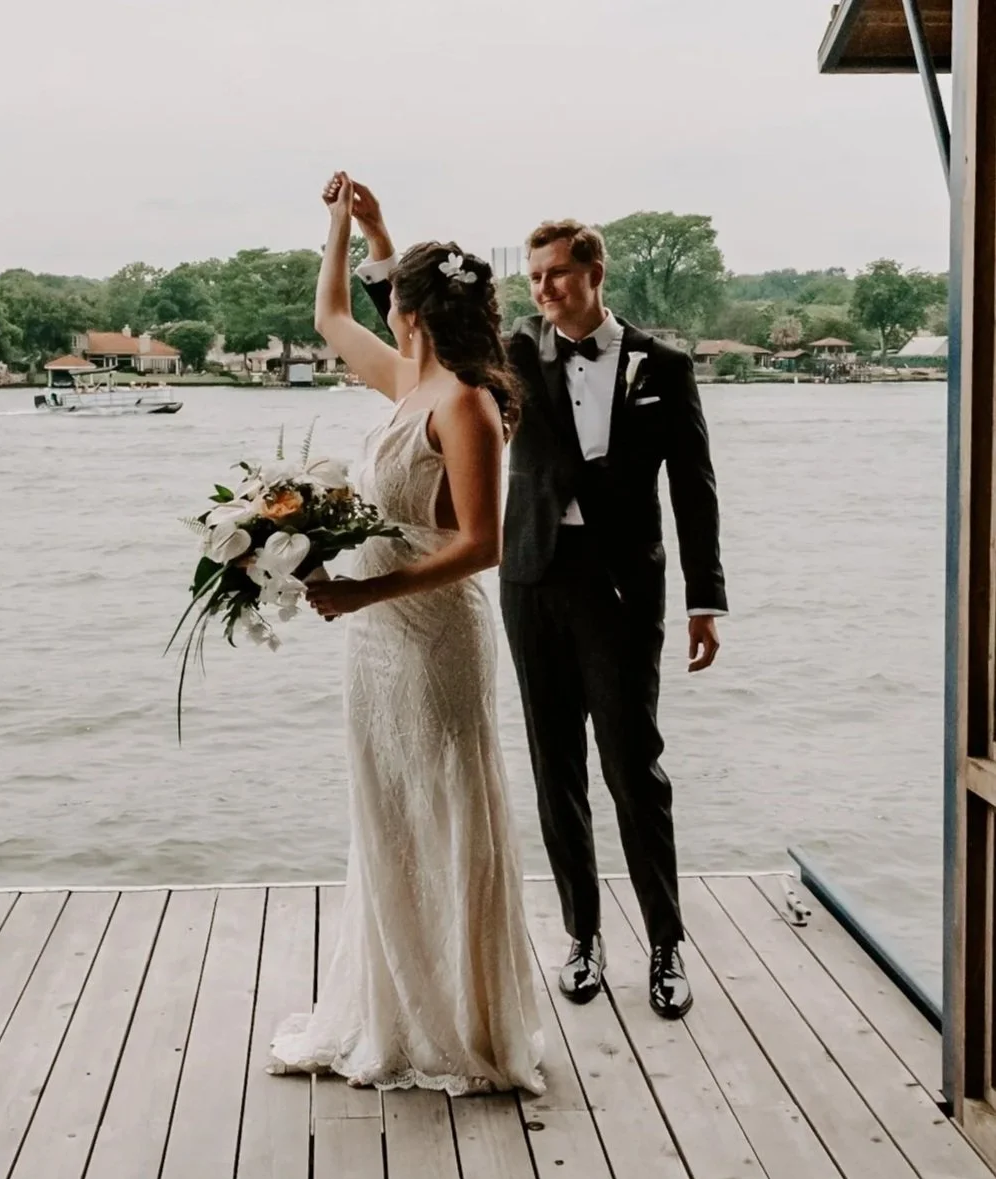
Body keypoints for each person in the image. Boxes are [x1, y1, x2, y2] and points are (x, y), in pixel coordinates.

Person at [355, 196, 727, 1020]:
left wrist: (707, 599)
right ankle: (582, 935)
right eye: (533, 277)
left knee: (634, 767)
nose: (545, 289)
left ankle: (665, 945)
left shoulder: (662, 366)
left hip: (625, 586)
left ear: (595, 272)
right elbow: (418, 334)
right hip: (530, 577)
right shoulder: (511, 352)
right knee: (554, 769)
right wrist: (380, 248)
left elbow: (693, 489)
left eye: (557, 273)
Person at [268, 173, 544, 1095]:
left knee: (446, 813)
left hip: (432, 643)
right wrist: (354, 226)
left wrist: (360, 598)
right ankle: (392, 1006)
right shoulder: (403, 381)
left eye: (396, 301)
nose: (383, 314)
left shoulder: (463, 403)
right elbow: (328, 315)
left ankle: (461, 1023)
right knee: (387, 818)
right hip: (375, 648)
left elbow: (482, 544)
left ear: (418, 313)